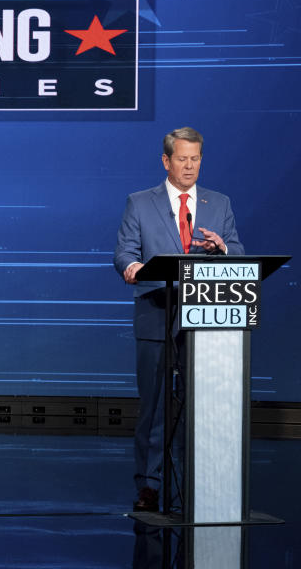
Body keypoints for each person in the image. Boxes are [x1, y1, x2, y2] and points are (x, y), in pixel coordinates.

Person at [114, 126, 243, 512]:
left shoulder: (219, 203)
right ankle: (149, 485)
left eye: (196, 159)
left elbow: (237, 252)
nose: (190, 166)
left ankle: (200, 480)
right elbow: (124, 252)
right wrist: (133, 265)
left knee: (199, 404)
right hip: (156, 312)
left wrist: (221, 248)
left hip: (204, 320)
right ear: (166, 161)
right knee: (153, 408)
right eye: (182, 159)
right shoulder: (139, 202)